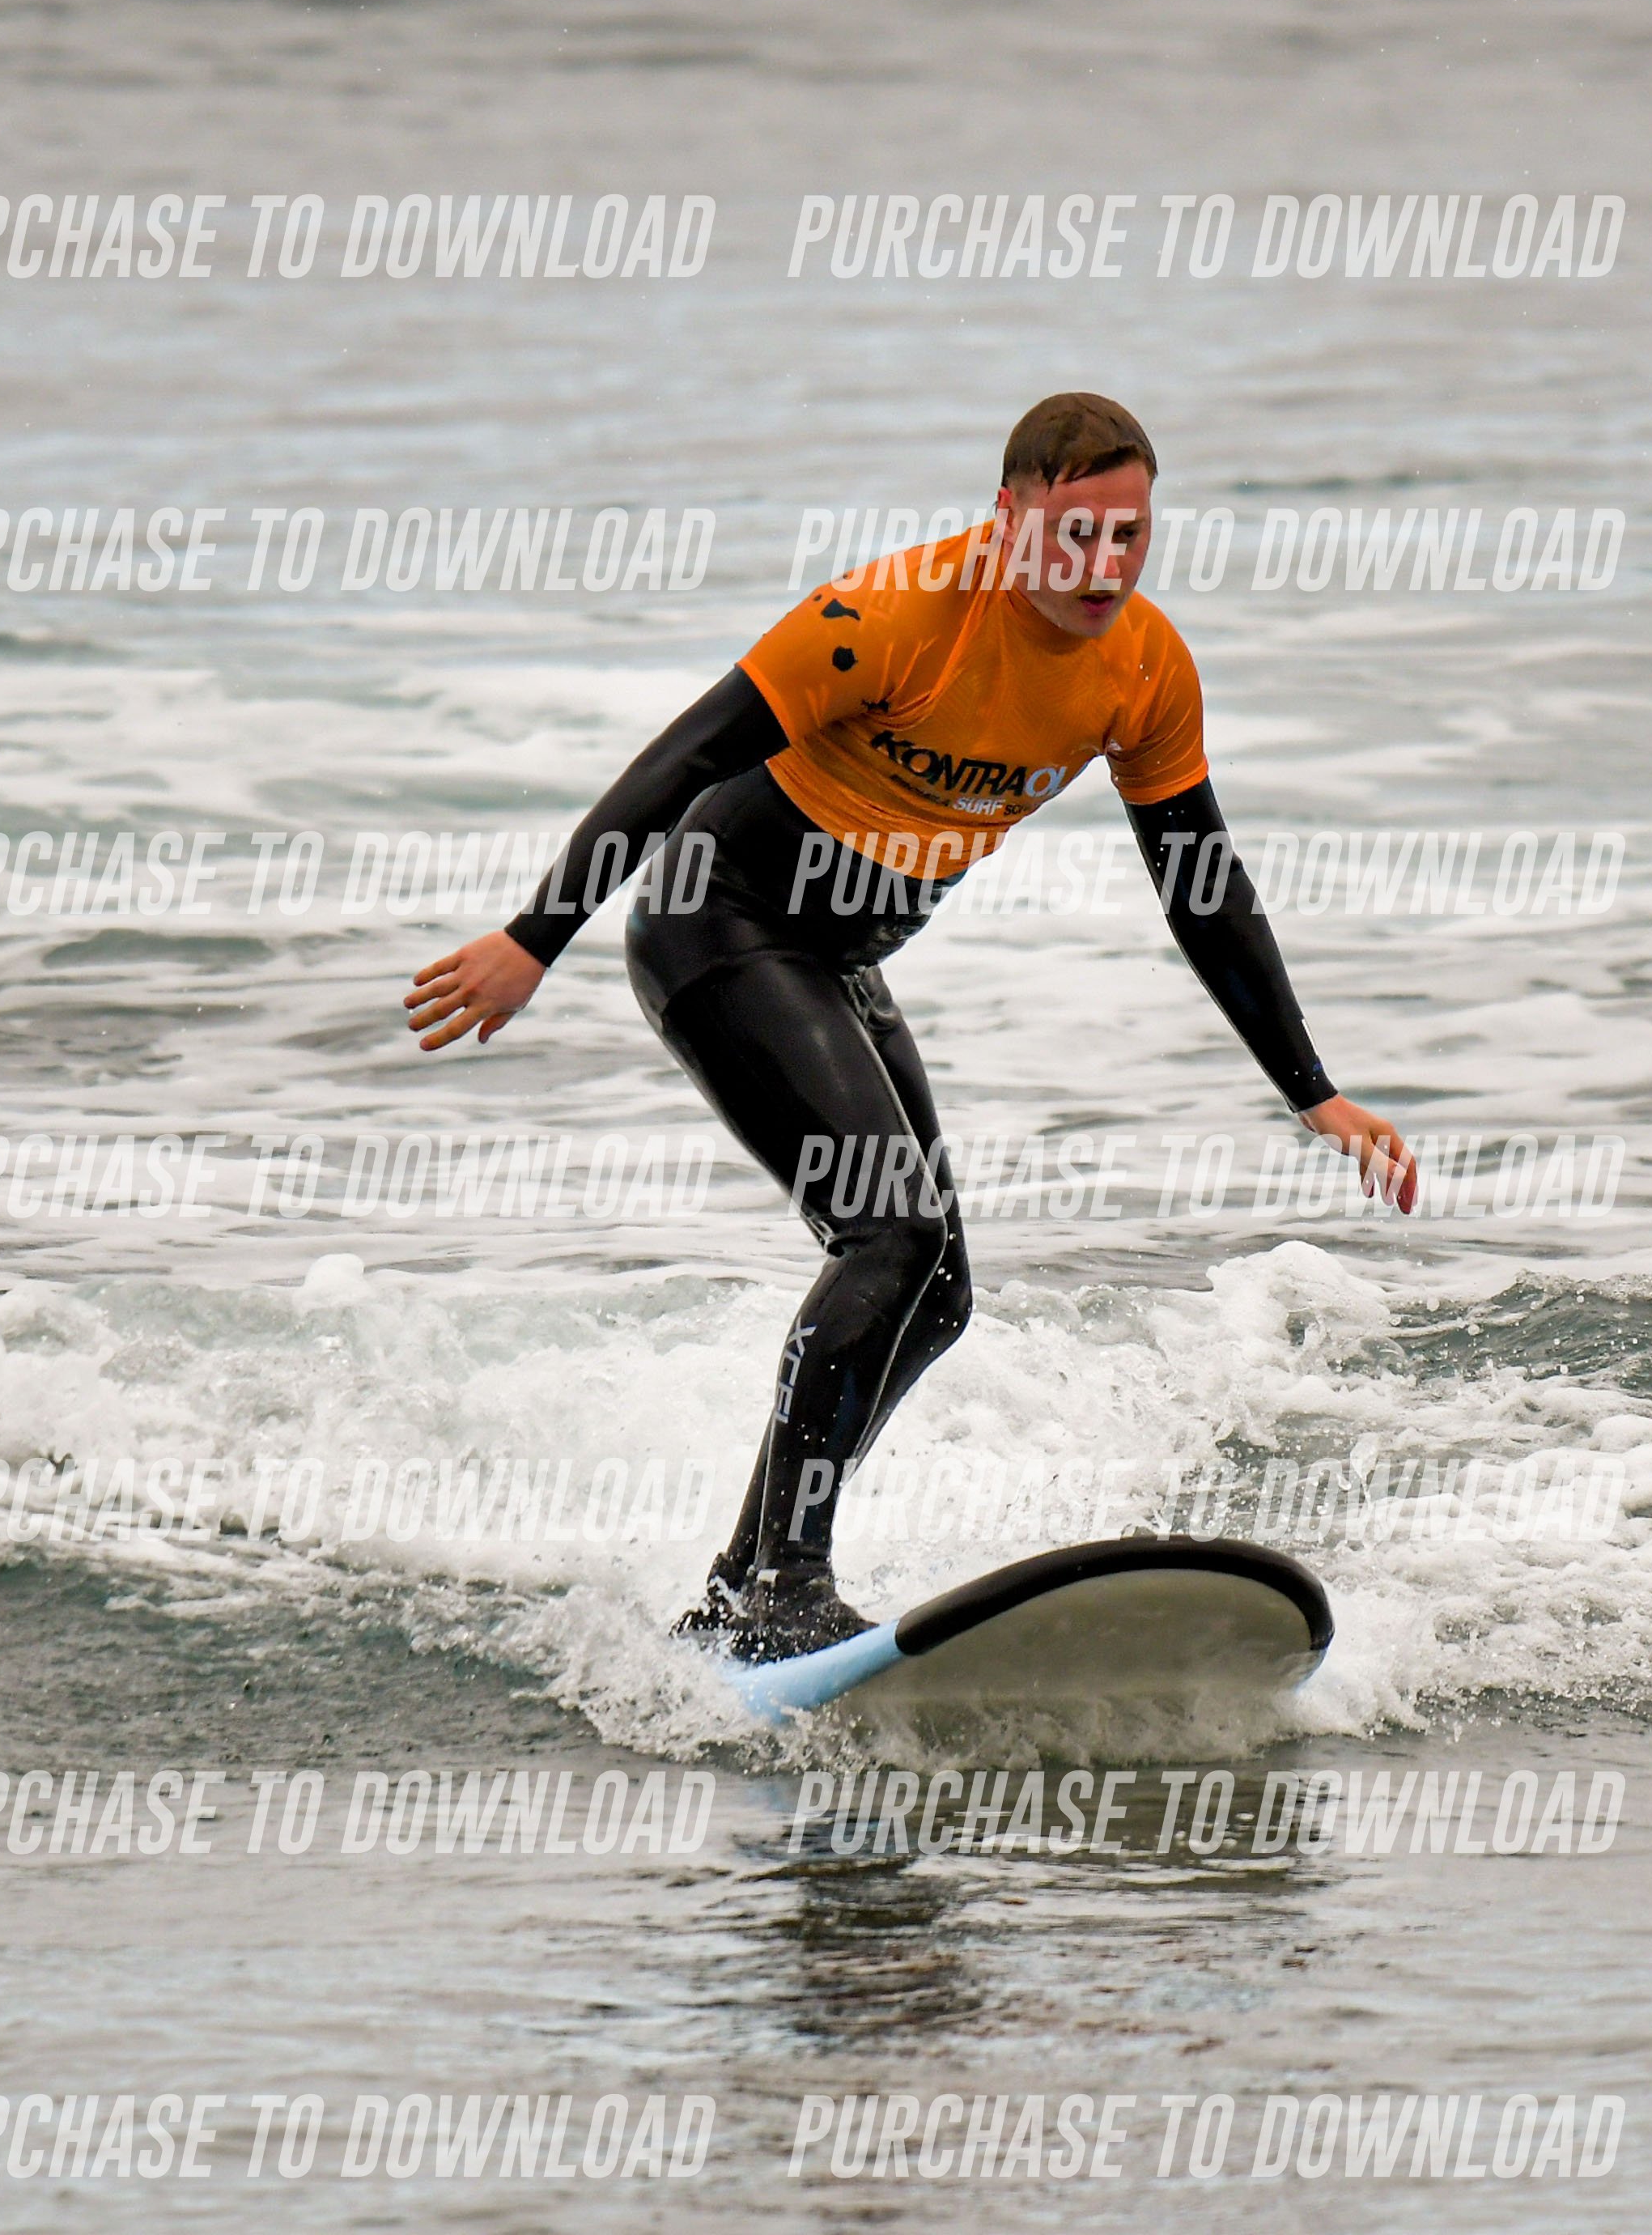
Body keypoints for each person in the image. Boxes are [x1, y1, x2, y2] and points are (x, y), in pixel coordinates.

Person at [405, 393, 1414, 1660]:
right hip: (719, 925)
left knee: (935, 1291)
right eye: (1074, 534)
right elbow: (683, 760)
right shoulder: (888, 619)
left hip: (835, 961)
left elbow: (1200, 884)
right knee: (888, 1233)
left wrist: (1312, 1090)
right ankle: (785, 1586)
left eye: (1129, 535)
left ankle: (740, 1585)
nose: (1102, 567)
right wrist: (532, 939)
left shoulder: (1144, 668)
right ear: (1007, 516)